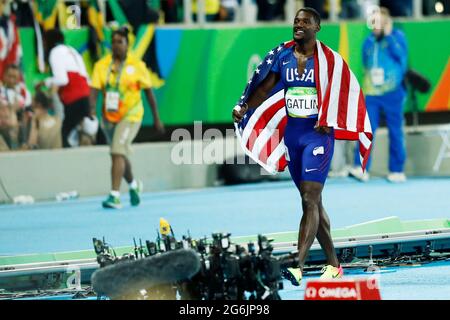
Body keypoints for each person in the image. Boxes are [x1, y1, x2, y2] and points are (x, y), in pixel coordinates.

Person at [233, 7, 372, 285]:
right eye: (296, 21)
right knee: (313, 203)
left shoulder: (329, 61)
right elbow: (264, 88)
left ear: (316, 28)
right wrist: (246, 106)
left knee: (309, 198)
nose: (298, 25)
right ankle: (334, 265)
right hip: (293, 137)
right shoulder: (283, 57)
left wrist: (329, 118)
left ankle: (298, 263)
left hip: (317, 138)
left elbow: (345, 93)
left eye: (305, 22)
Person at [90, 27, 164, 209]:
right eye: (113, 42)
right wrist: (91, 109)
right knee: (120, 153)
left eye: (120, 42)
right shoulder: (102, 65)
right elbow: (95, 90)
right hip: (109, 117)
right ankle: (134, 185)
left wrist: (156, 118)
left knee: (116, 151)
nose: (116, 45)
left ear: (127, 44)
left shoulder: (137, 66)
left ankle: (114, 196)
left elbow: (149, 93)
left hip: (131, 115)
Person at [349, 7, 408, 183]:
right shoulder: (368, 42)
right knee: (366, 130)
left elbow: (402, 60)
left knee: (395, 131)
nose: (374, 26)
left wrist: (389, 36)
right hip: (373, 94)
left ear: (386, 23)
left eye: (378, 23)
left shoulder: (397, 38)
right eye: (372, 22)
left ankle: (397, 169)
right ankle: (361, 168)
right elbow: (366, 66)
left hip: (393, 93)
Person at [42, 28, 92, 148]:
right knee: (88, 131)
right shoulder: (72, 50)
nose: (43, 45)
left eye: (44, 42)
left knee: (64, 135)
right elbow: (85, 76)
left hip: (73, 98)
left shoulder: (55, 52)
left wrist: (45, 82)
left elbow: (62, 80)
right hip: (85, 95)